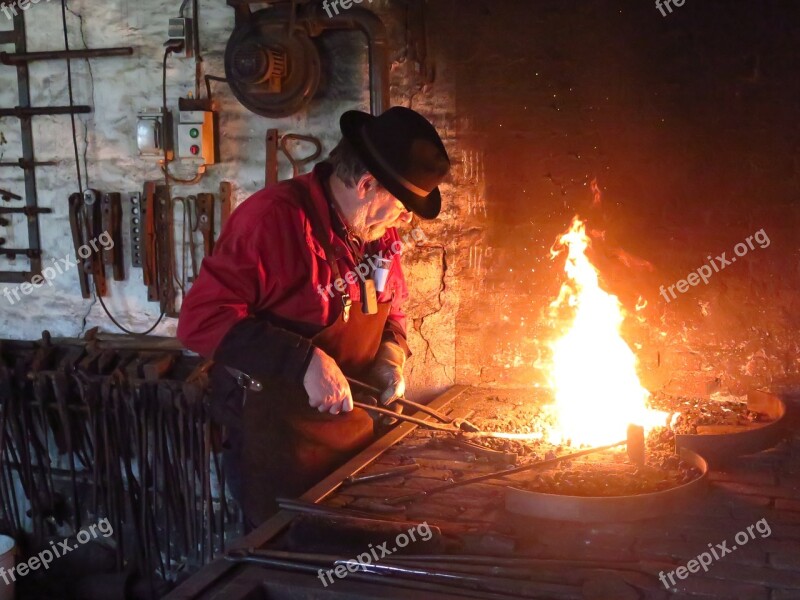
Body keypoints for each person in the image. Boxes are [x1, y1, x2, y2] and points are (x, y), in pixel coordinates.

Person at [176, 106, 451, 526]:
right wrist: (302, 360)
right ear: (366, 184)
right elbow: (201, 320)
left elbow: (392, 303)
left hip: (351, 441)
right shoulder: (271, 221)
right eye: (401, 206)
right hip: (278, 448)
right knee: (293, 568)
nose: (405, 218)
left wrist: (392, 351)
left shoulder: (377, 231)